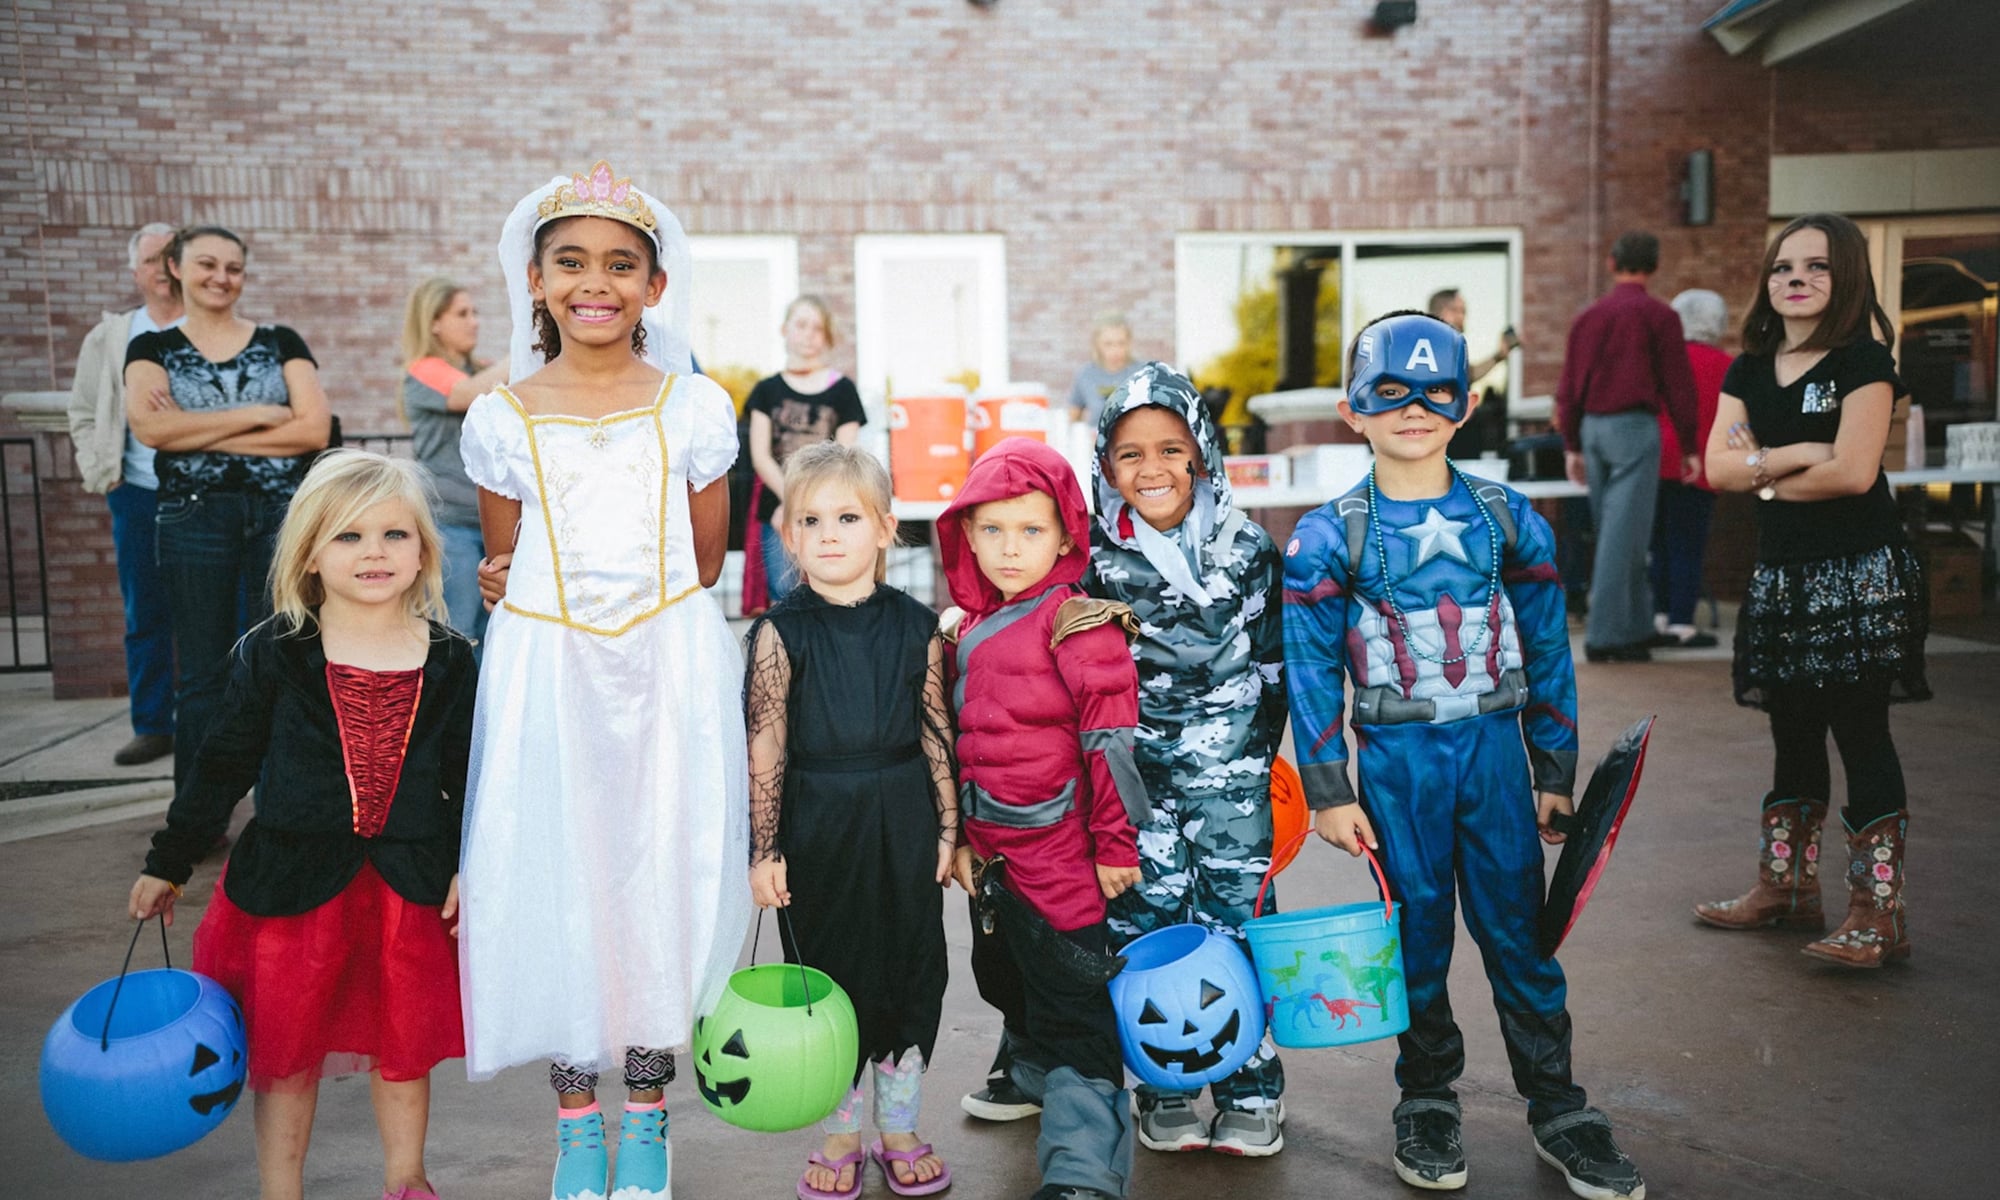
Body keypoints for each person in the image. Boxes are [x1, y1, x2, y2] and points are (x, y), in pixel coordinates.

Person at [1284, 312, 1645, 1199]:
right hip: (1399, 764)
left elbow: (1550, 650)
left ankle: (1557, 1103)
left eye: (1435, 391)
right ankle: (1427, 1095)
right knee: (1416, 939)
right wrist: (1329, 788)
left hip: (1491, 756)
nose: (1414, 409)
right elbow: (1308, 662)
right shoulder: (1328, 535)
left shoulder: (1505, 518)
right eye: (1389, 393)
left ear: (1468, 402)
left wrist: (1553, 772)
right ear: (1351, 410)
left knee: (1519, 935)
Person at [454, 159, 751, 1200]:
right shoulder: (502, 419)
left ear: (653, 288)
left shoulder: (694, 408)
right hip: (548, 675)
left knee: (652, 877)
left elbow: (706, 560)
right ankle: (575, 1126)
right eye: (571, 262)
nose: (597, 282)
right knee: (559, 880)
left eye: (622, 264)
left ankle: (645, 1109)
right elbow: (508, 561)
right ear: (534, 281)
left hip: (665, 670)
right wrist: (513, 586)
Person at [128, 449, 476, 1200]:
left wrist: (467, 864)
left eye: (394, 535)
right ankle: (279, 1190)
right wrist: (170, 859)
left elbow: (468, 780)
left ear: (424, 551)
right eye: (348, 537)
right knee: (286, 1055)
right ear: (311, 554)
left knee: (402, 1047)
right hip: (290, 890)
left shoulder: (452, 660)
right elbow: (221, 764)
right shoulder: (276, 652)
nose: (374, 553)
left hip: (407, 890)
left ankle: (406, 1179)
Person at [1693, 213, 1927, 970]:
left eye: (1817, 266)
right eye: (1783, 266)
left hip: (1858, 574)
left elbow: (1855, 474)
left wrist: (1761, 471)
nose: (1795, 278)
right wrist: (1796, 455)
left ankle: (1877, 912)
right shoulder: (1749, 370)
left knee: (1860, 732)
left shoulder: (1865, 363)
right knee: (1791, 731)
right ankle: (1788, 889)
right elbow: (1719, 470)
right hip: (1783, 578)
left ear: (1847, 276)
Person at [744, 442, 961, 1200]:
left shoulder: (917, 625)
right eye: (811, 519)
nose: (829, 533)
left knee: (910, 965)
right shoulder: (779, 632)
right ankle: (840, 1129)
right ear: (788, 534)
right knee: (824, 972)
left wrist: (948, 829)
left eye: (847, 516)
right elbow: (766, 743)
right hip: (817, 823)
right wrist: (763, 847)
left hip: (901, 815)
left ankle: (898, 1126)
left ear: (884, 528)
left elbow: (937, 726)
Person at [1087, 363, 1289, 1156]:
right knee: (1147, 922)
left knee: (1237, 925)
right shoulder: (1095, 557)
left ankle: (1252, 1089)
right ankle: (1164, 1085)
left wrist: (1249, 765)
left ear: (1202, 451)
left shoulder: (1246, 548)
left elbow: (1273, 669)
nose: (1153, 470)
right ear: (1105, 464)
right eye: (1130, 454)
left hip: (1230, 782)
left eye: (1172, 449)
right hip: (1134, 788)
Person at [940, 437, 1146, 1200]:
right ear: (965, 534)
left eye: (1030, 530)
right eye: (991, 530)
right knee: (1007, 978)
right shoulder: (964, 630)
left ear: (1065, 535)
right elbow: (963, 748)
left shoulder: (1079, 624)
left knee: (1071, 1011)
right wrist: (960, 839)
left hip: (1063, 857)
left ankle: (1084, 1173)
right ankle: (1026, 1071)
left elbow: (1111, 746)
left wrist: (1114, 843)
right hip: (992, 863)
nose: (1009, 548)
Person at [125, 225, 333, 789]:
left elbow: (313, 429)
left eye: (234, 268)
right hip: (194, 519)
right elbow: (149, 428)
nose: (221, 278)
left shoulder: (282, 340)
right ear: (175, 268)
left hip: (278, 518)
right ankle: (199, 811)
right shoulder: (151, 348)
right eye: (207, 265)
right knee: (201, 675)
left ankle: (279, 807)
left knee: (280, 661)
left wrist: (192, 432)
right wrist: (262, 414)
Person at [65, 221, 182, 766]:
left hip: (202, 497)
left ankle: (218, 723)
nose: (165, 268)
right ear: (136, 272)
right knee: (145, 611)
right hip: (135, 493)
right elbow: (83, 410)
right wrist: (102, 473)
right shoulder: (113, 335)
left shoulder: (205, 327)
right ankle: (154, 724)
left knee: (220, 612)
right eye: (154, 259)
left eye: (174, 256)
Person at [1555, 231, 1700, 664]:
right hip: (1634, 427)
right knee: (1625, 535)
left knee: (1621, 532)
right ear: (1654, 267)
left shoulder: (1588, 317)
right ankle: (1605, 636)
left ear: (1612, 262)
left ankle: (1634, 628)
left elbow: (1568, 387)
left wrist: (1572, 444)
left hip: (1593, 429)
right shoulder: (1660, 316)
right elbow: (1679, 385)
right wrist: (1690, 444)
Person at [400, 276, 508, 649]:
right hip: (450, 525)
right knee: (457, 635)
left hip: (495, 523)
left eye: (475, 312)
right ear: (434, 322)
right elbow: (465, 395)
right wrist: (524, 348)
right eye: (462, 313)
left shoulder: (483, 368)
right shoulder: (424, 370)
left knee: (497, 633)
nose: (474, 321)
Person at [744, 296, 866, 611]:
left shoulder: (843, 391)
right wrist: (793, 505)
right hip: (779, 512)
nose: (809, 334)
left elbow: (845, 456)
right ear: (785, 330)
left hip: (829, 511)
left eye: (818, 328)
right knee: (785, 597)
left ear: (826, 337)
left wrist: (807, 507)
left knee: (831, 596)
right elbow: (761, 455)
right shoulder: (766, 391)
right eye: (801, 325)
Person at [1648, 290, 1730, 650]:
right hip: (1698, 463)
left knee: (1658, 546)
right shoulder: (1728, 365)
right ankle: (1681, 623)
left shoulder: (1660, 361)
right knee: (1687, 547)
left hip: (1654, 462)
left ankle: (1659, 616)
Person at [1065, 312, 1141, 431]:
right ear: (1097, 345)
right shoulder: (1086, 374)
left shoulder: (1143, 373)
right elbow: (1073, 418)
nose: (1115, 350)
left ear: (1129, 343)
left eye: (1121, 343)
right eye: (1108, 344)